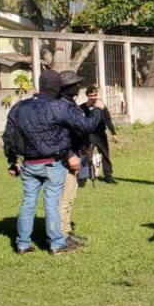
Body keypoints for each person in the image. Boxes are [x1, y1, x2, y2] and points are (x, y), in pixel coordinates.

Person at [3, 69, 105, 255]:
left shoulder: (19, 107)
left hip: (29, 164)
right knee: (51, 203)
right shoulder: (58, 107)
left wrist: (12, 161)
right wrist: (97, 109)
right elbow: (86, 126)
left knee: (27, 203)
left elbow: (9, 135)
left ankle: (22, 244)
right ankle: (57, 244)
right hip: (52, 163)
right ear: (57, 87)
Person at [58, 71, 95, 247]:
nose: (78, 87)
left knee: (70, 197)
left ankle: (66, 231)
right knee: (64, 199)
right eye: (75, 84)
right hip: (67, 157)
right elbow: (82, 127)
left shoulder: (70, 104)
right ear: (66, 88)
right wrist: (98, 112)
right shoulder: (62, 106)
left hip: (76, 154)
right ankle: (62, 236)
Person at [82, 86, 118, 183]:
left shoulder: (102, 106)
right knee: (86, 156)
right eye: (91, 95)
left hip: (101, 135)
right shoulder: (82, 107)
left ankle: (108, 175)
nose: (93, 97)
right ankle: (83, 177)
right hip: (88, 135)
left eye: (95, 95)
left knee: (105, 155)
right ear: (87, 96)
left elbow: (108, 120)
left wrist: (113, 133)